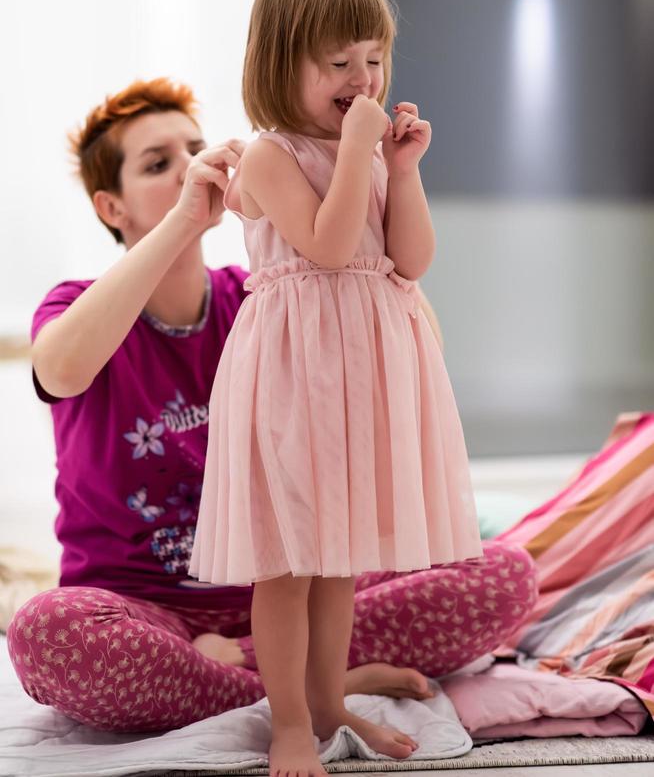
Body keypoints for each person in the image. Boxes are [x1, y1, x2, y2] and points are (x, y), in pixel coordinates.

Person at [7, 78, 537, 737]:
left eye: (194, 147)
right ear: (111, 207)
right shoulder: (76, 302)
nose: (188, 165)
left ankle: (276, 676)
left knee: (503, 574)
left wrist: (362, 184)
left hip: (296, 589)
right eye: (157, 163)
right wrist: (182, 222)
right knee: (45, 632)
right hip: (147, 612)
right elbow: (59, 369)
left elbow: (413, 338)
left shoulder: (266, 297)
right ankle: (319, 683)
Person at [186, 0, 499, 777]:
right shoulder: (267, 155)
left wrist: (402, 169)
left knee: (338, 561)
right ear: (280, 65)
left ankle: (329, 703)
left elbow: (410, 260)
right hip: (294, 374)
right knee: (289, 563)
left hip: (362, 374)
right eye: (339, 63)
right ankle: (290, 721)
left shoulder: (365, 150)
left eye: (374, 58)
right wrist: (360, 146)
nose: (363, 78)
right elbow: (324, 249)